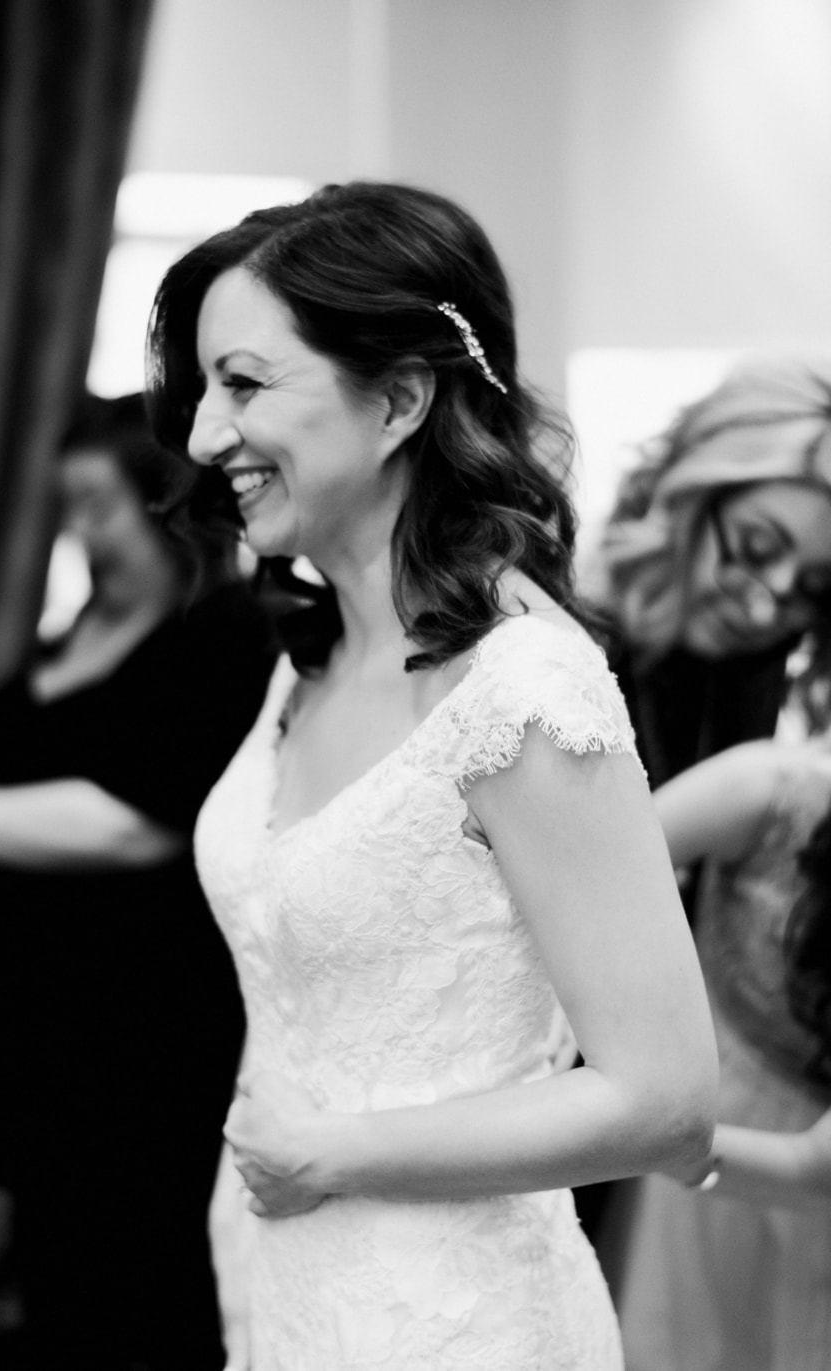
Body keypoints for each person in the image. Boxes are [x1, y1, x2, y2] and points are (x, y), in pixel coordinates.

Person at [148, 181, 717, 1368]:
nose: (204, 436)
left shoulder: (526, 695)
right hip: (284, 1275)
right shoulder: (309, 655)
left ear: (401, 397)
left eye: (243, 384)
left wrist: (332, 1156)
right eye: (204, 390)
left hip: (456, 1318)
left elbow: (663, 1100)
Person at [0, 393, 275, 1369]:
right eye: (66, 505)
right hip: (33, 1017)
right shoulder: (69, 634)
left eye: (96, 504)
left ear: (167, 508)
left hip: (143, 1020)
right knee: (57, 1275)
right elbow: (27, 757)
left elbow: (136, 823)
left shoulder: (223, 638)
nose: (77, 531)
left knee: (145, 1278)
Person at [614, 738, 831, 1369]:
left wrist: (664, 1141)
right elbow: (587, 874)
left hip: (774, 1172)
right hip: (704, 1114)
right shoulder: (771, 789)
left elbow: (813, 1169)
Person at [597, 354, 831, 788]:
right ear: (687, 500)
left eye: (814, 589)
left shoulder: (757, 668)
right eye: (756, 549)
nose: (762, 612)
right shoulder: (557, 646)